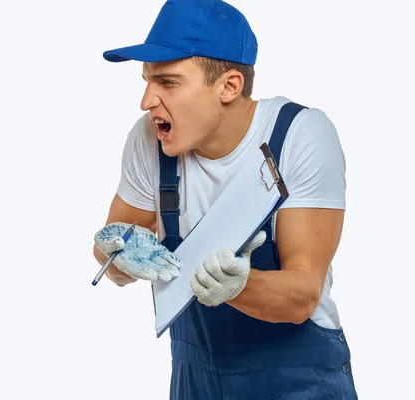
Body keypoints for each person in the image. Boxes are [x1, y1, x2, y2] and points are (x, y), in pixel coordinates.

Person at [92, 0, 358, 399]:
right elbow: (111, 260)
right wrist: (114, 255)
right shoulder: (150, 139)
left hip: (297, 378)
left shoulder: (298, 136)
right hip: (196, 377)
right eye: (147, 80)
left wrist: (239, 286)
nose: (146, 101)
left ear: (229, 86)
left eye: (167, 82)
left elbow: (303, 294)